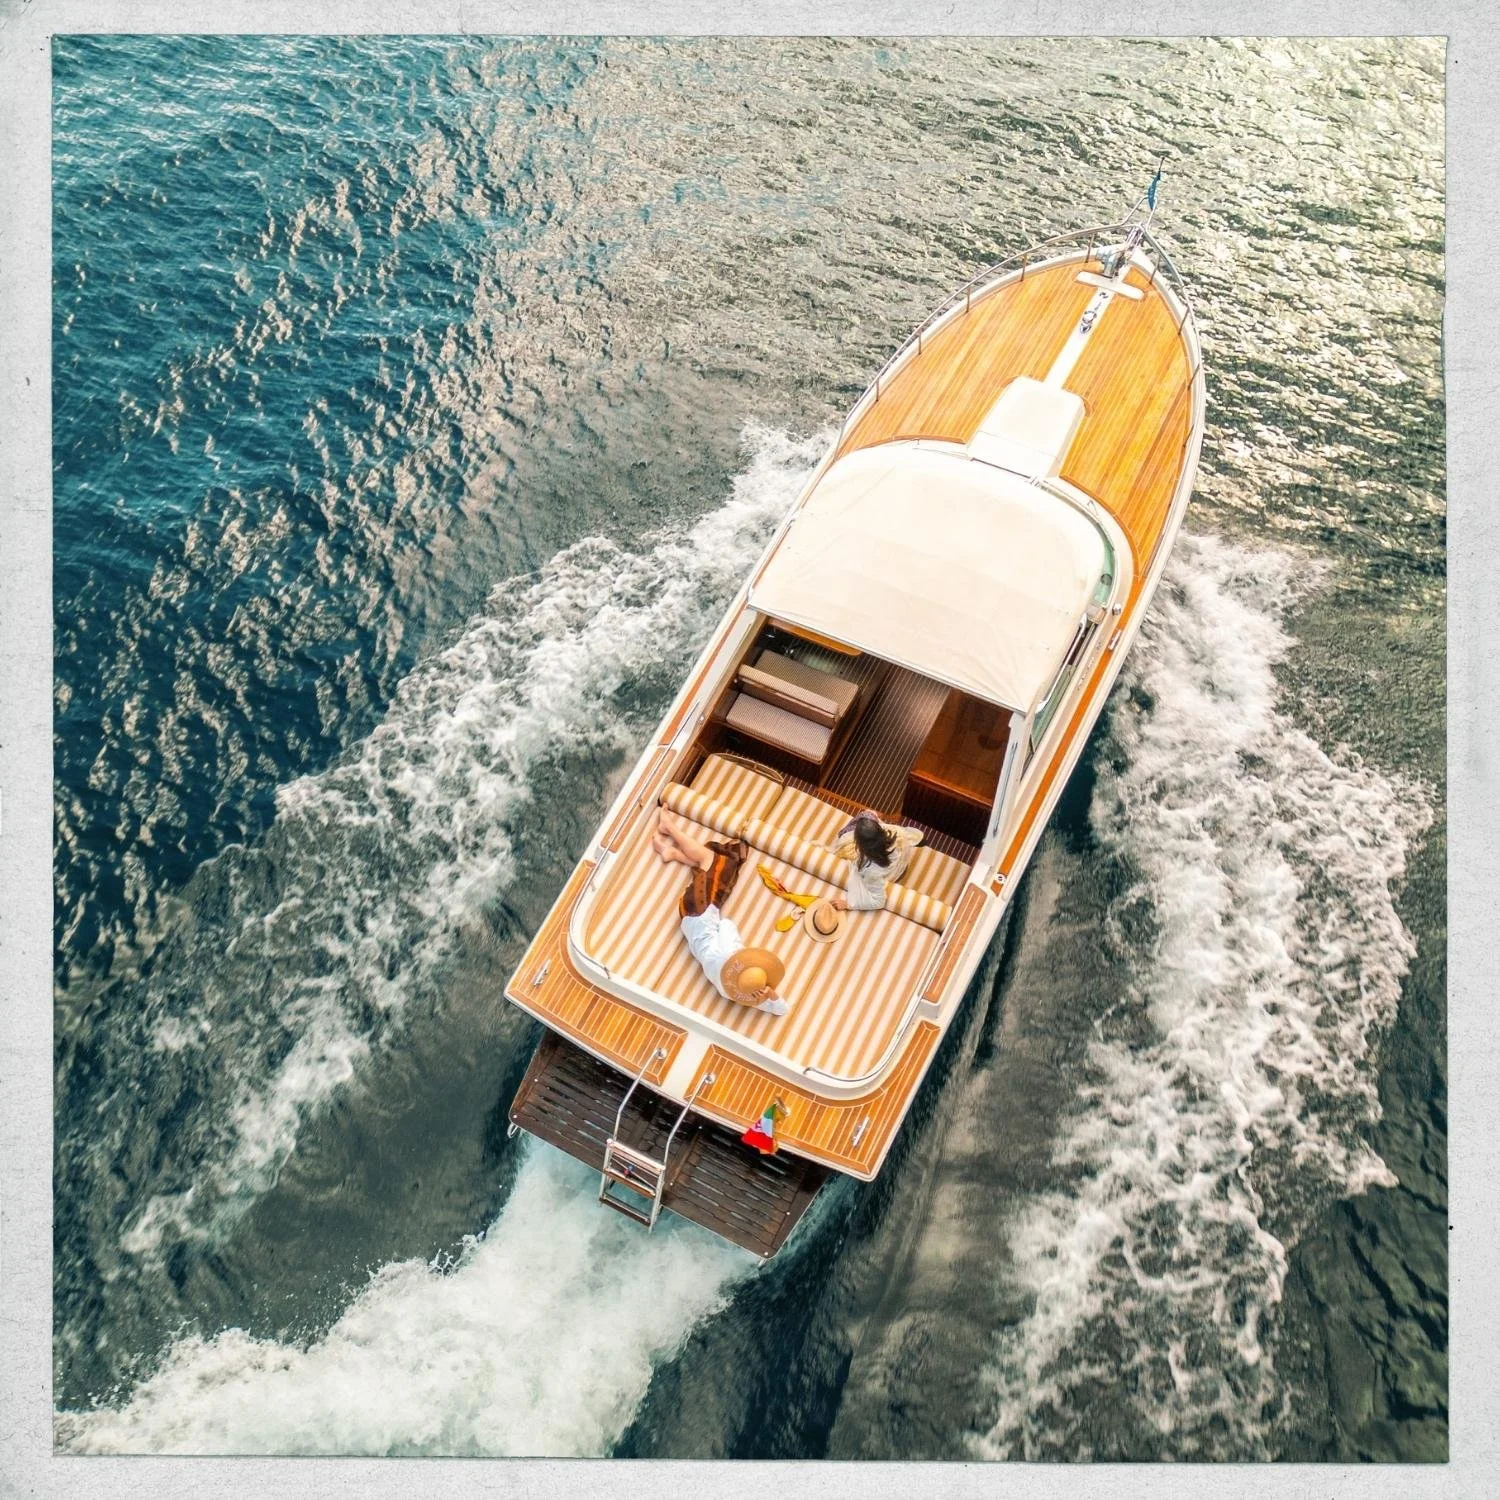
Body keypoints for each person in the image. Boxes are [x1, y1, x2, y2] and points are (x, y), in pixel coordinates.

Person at [653, 810, 789, 1015]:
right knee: (722, 872)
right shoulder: (729, 990)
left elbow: (727, 925)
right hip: (689, 920)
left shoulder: (729, 952)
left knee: (713, 860)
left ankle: (669, 828)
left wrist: (741, 951)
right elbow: (782, 1010)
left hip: (697, 909)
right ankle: (673, 854)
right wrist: (769, 996)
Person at [827, 810, 923, 913]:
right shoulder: (895, 836)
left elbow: (878, 902)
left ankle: (873, 815)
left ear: (859, 843)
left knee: (844, 837)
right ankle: (875, 815)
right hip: (895, 862)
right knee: (867, 815)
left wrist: (847, 904)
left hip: (889, 871)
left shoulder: (871, 871)